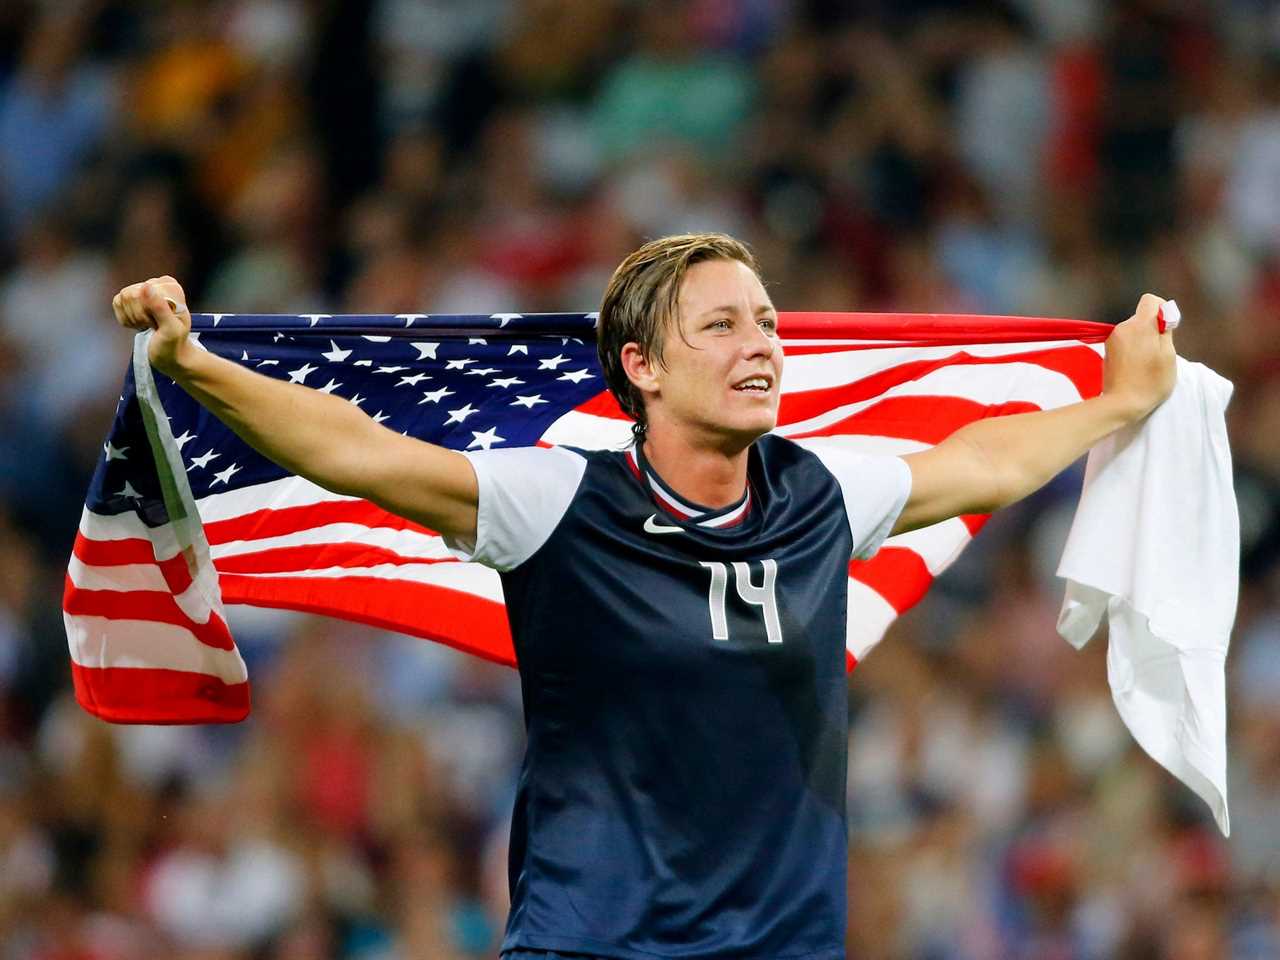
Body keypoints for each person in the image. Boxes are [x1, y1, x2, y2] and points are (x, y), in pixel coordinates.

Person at [111, 233, 1176, 960]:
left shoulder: (821, 493)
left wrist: (1113, 400)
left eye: (764, 322)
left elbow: (982, 464)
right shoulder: (555, 500)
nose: (759, 344)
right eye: (720, 326)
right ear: (643, 367)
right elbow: (358, 452)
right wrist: (195, 366)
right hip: (590, 942)